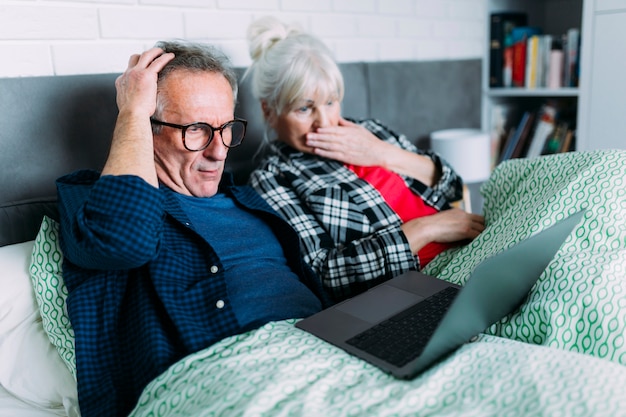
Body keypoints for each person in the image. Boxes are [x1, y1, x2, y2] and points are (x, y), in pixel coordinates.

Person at [56, 40, 328, 417]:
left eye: (227, 128)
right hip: (236, 377)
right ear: (147, 129)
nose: (220, 152)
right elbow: (122, 243)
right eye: (197, 130)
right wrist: (133, 110)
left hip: (329, 354)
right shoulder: (92, 203)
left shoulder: (247, 199)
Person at [244, 16, 486, 302]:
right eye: (304, 109)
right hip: (417, 285)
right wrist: (427, 228)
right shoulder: (273, 178)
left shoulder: (369, 130)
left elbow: (454, 188)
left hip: (472, 253)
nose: (325, 123)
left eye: (331, 102)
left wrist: (384, 153)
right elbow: (323, 274)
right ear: (269, 111)